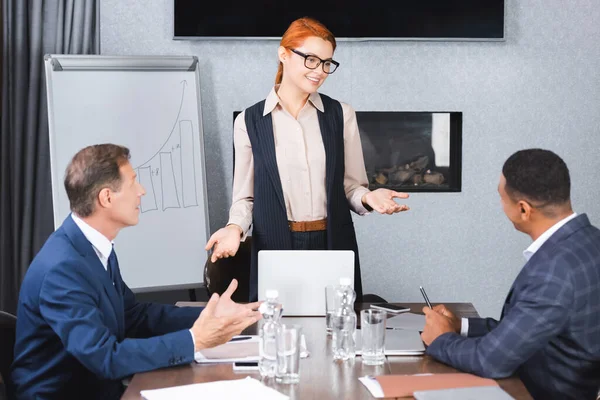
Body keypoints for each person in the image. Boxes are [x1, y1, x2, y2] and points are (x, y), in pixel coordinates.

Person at [10, 144, 261, 399]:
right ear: (106, 198)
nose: (142, 191)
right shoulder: (62, 269)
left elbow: (133, 316)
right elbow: (104, 357)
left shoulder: (93, 245)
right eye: (133, 183)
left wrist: (212, 316)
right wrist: (194, 340)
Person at [205, 17, 410, 301]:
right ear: (283, 54)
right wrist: (234, 228)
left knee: (337, 330)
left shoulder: (341, 115)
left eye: (327, 63)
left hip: (333, 243)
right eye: (311, 60)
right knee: (276, 331)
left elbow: (351, 187)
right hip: (274, 245)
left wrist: (369, 198)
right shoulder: (249, 121)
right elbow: (246, 198)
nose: (320, 71)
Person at [421, 149, 600, 400]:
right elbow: (529, 326)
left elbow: (490, 361)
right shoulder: (590, 242)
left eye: (501, 198)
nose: (501, 206)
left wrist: (441, 339)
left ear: (523, 209)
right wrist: (460, 326)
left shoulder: (554, 272)